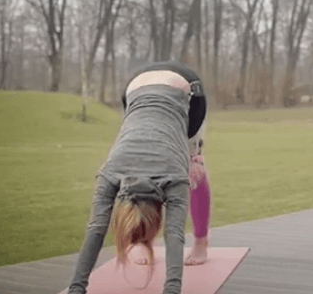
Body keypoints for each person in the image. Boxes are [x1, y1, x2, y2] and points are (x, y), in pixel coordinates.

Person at [67, 61, 210, 294]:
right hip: (135, 86)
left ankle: (201, 244)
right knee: (159, 127)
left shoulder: (170, 176)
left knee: (194, 158)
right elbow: (173, 233)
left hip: (178, 85)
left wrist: (77, 288)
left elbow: (97, 229)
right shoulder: (112, 171)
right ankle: (145, 238)